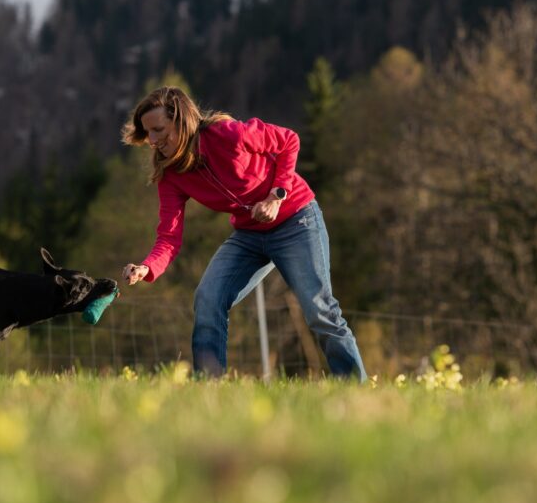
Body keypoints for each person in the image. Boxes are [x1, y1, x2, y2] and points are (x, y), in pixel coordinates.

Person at [120, 86, 367, 381]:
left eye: (159, 129)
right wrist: (147, 267)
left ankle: (354, 386)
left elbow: (289, 140)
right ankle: (208, 387)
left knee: (319, 309)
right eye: (148, 133)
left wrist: (277, 196)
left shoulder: (230, 135)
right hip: (250, 234)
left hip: (296, 220)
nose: (154, 140)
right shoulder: (171, 175)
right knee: (208, 298)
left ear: (181, 120)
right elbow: (169, 237)